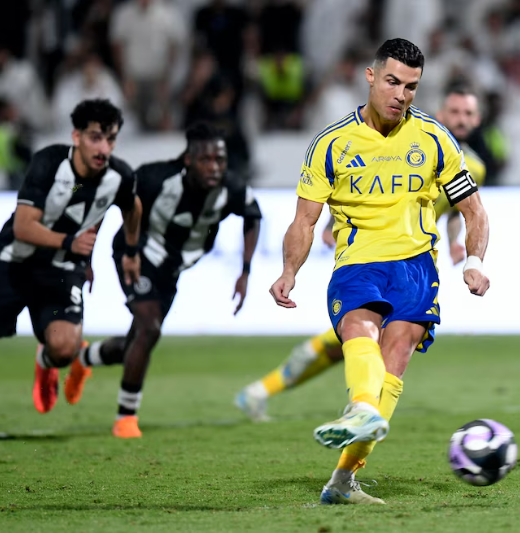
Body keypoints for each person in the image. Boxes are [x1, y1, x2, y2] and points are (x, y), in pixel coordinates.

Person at [267, 39, 490, 505]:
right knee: (358, 329)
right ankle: (362, 410)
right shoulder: (331, 143)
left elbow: (474, 211)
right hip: (357, 262)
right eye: (392, 81)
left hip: (415, 267)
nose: (401, 95)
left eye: (411, 86)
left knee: (395, 361)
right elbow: (304, 220)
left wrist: (473, 262)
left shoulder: (434, 138)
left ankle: (343, 480)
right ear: (371, 77)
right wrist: (289, 270)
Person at [236, 84, 487, 421]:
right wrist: (326, 227)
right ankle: (269, 393)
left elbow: (457, 210)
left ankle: (352, 427)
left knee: (361, 346)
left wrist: (459, 242)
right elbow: (356, 187)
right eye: (454, 112)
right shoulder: (417, 141)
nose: (461, 119)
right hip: (371, 258)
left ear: (478, 119)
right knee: (345, 342)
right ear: (442, 113)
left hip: (414, 266)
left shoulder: (469, 164)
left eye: (468, 113)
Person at [77, 122, 262, 438]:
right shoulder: (155, 177)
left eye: (220, 160)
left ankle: (83, 358)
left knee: (141, 339)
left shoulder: (231, 187)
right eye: (207, 160)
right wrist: (87, 257)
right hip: (134, 256)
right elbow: (109, 201)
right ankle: (126, 418)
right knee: (149, 328)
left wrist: (244, 272)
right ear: (189, 159)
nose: (215, 168)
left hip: (172, 270)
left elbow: (252, 216)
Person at [0, 98, 141, 415]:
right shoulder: (49, 163)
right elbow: (23, 226)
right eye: (95, 137)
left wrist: (130, 252)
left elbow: (133, 208)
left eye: (111, 139)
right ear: (76, 136)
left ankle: (45, 362)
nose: (104, 148)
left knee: (64, 349)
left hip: (62, 268)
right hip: (14, 260)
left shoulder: (119, 176)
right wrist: (70, 242)